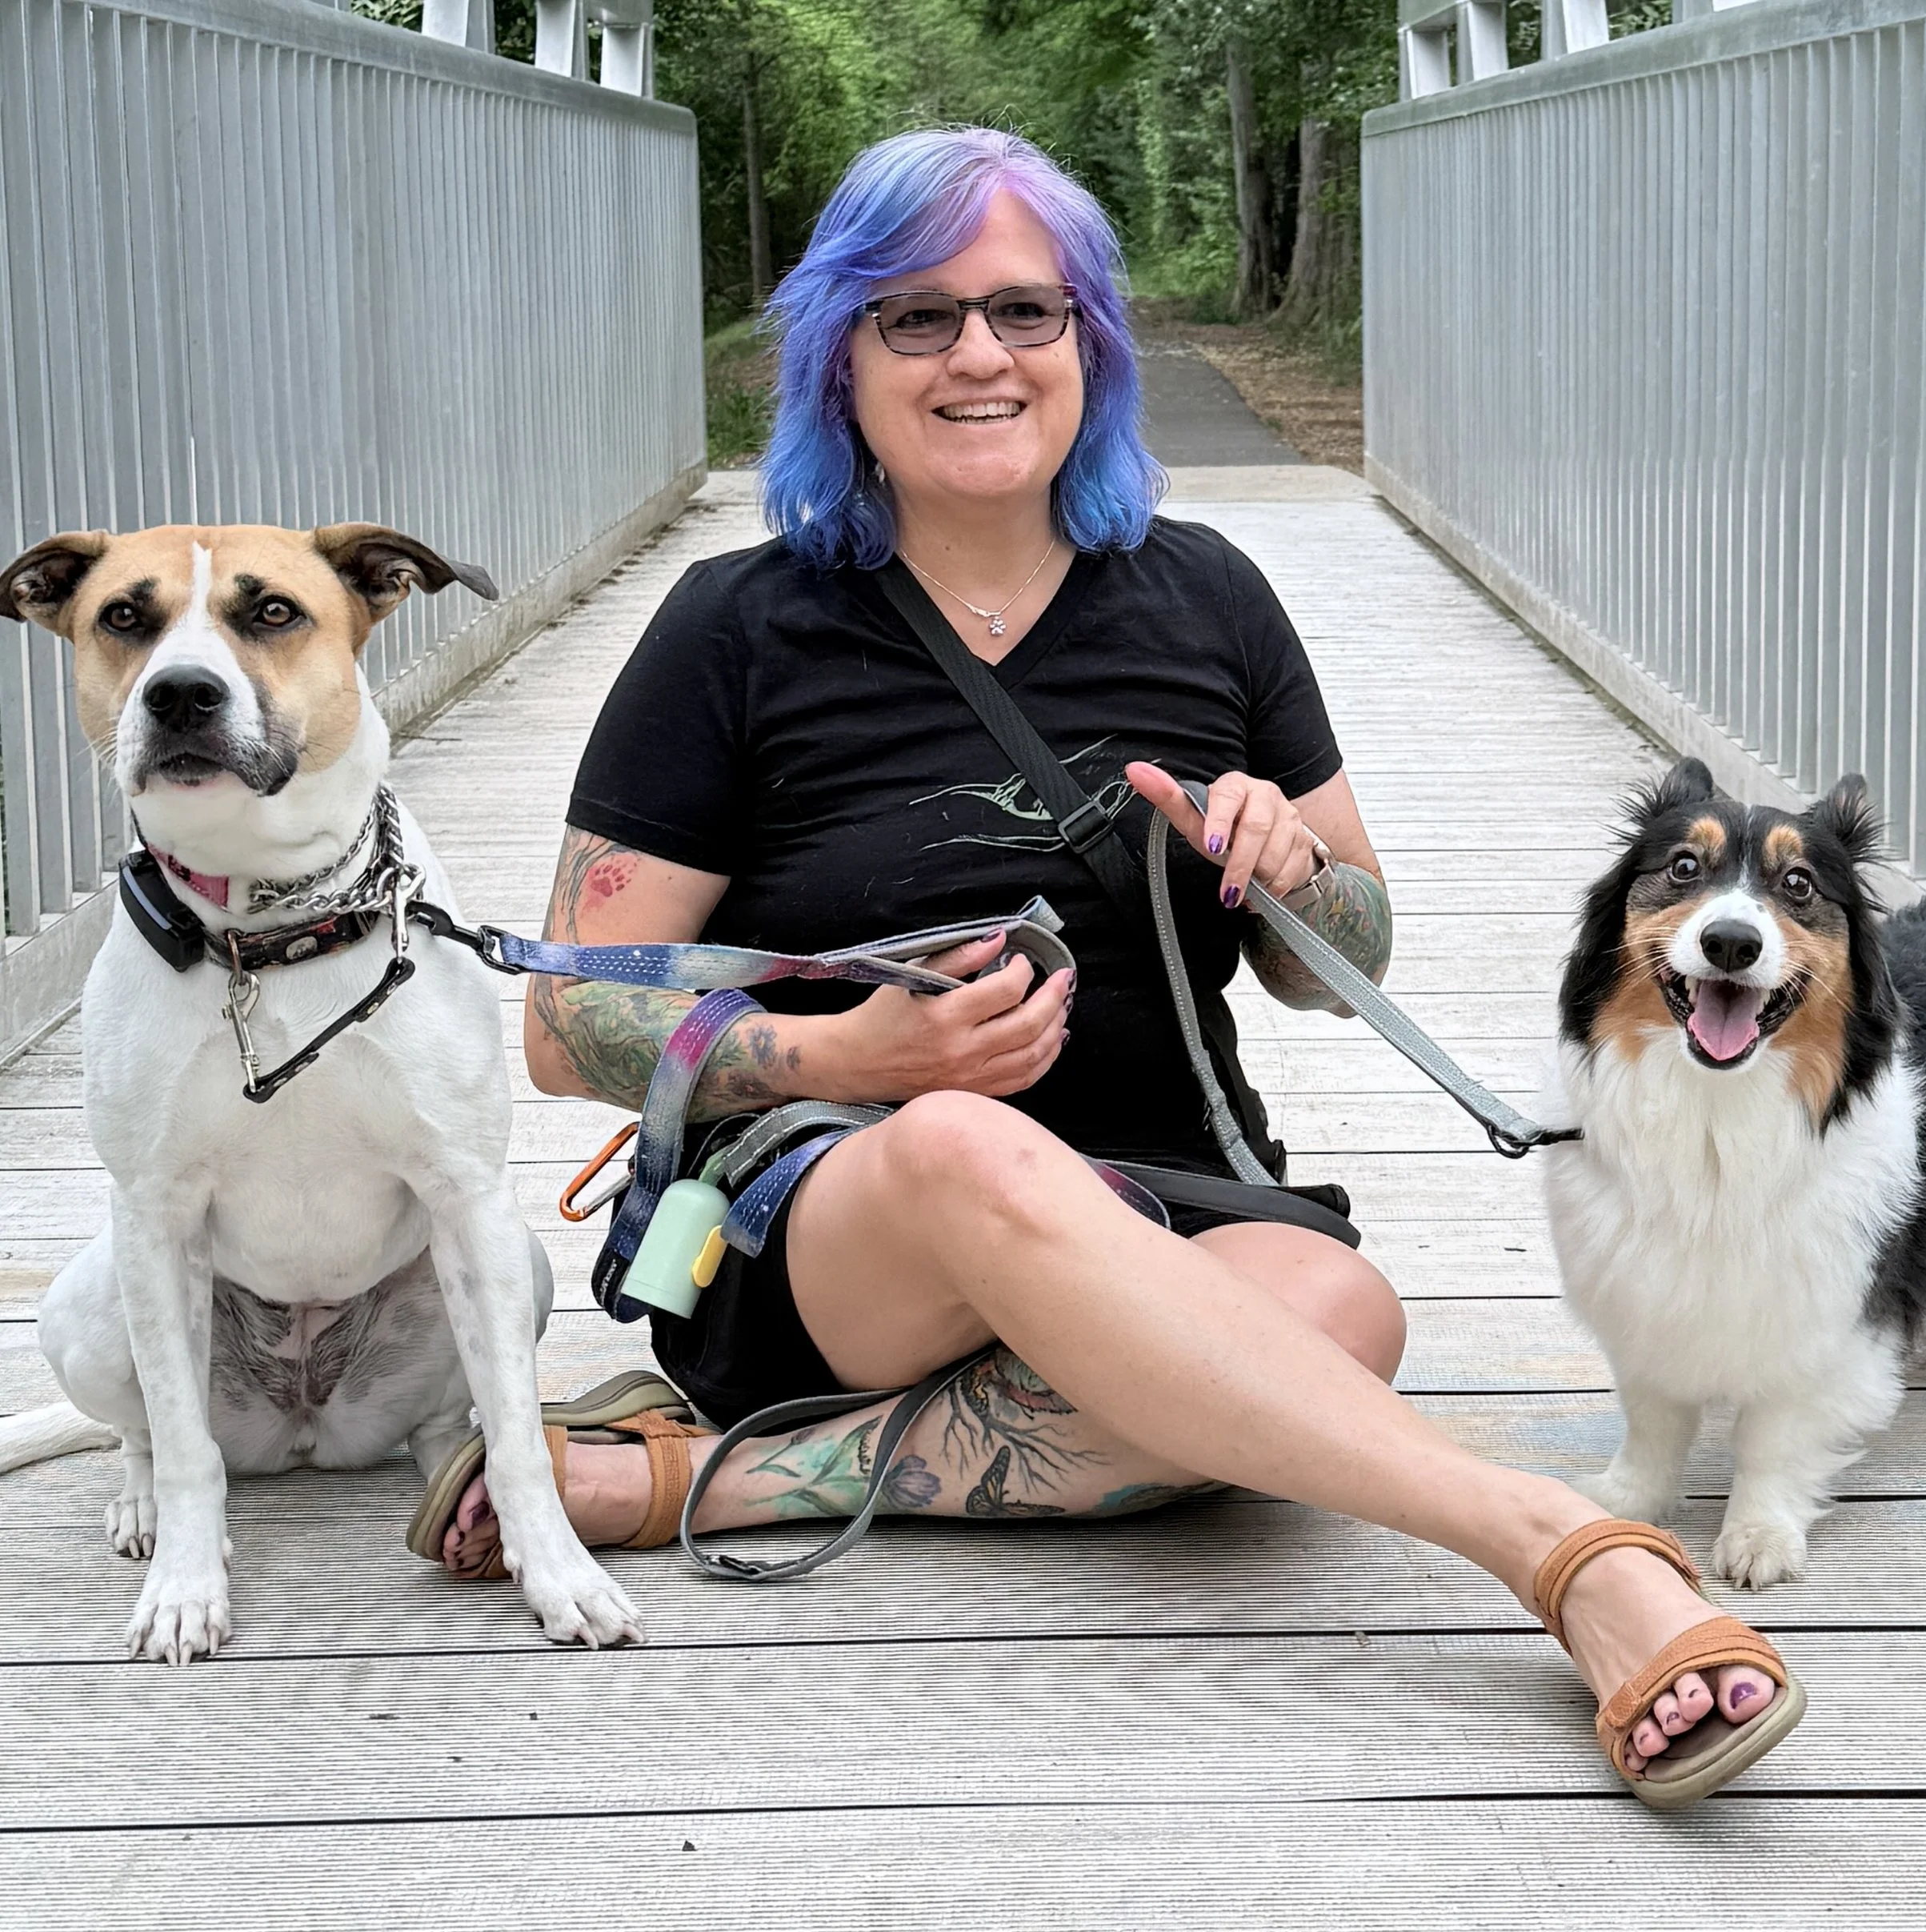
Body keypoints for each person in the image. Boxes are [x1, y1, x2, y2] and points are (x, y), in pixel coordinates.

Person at [424, 126, 1799, 1802]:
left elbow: (1339, 952)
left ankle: (695, 1481)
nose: (980, 356)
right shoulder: (733, 625)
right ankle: (1559, 1548)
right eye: (915, 318)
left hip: (1168, 1188)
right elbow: (566, 1023)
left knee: (1332, 1310)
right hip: (836, 1217)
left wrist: (1292, 873)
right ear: (835, 360)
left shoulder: (1206, 596)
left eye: (1025, 310)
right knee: (962, 1145)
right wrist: (847, 1059)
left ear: (1089, 344)